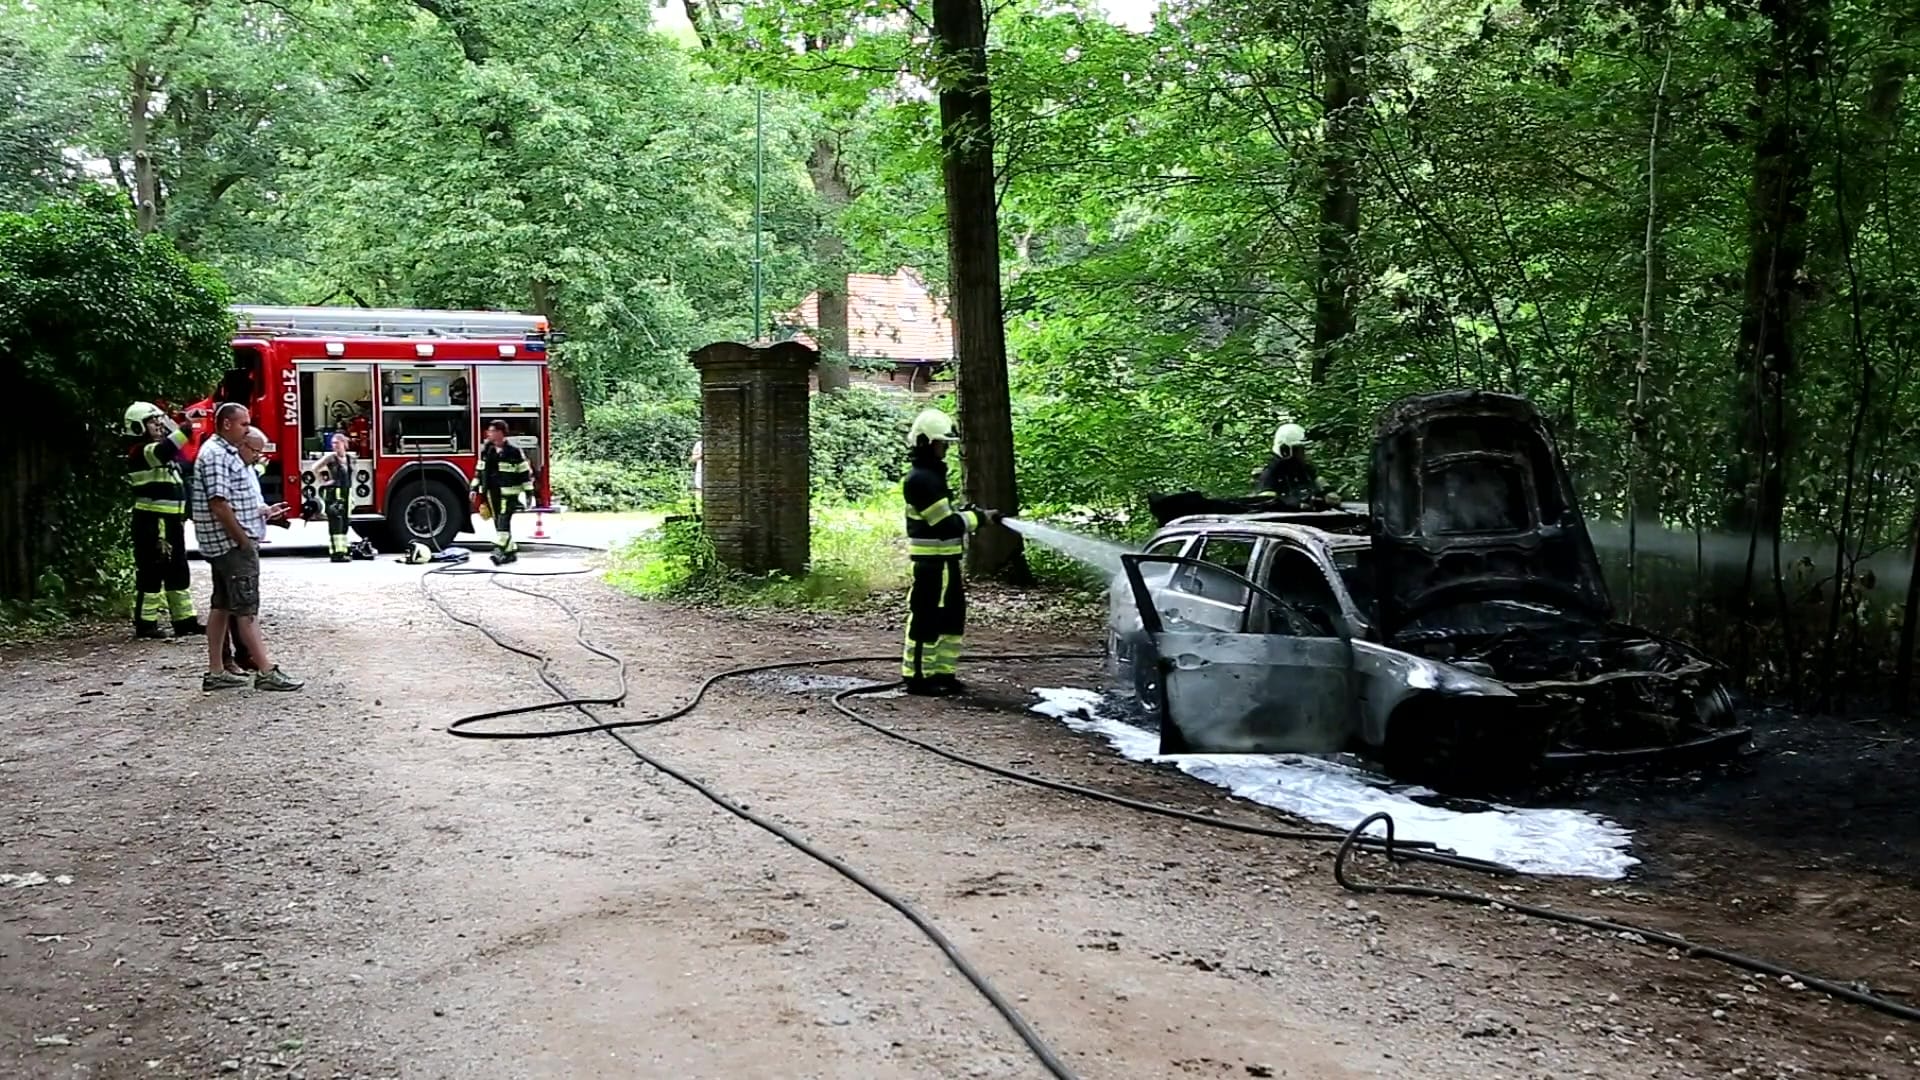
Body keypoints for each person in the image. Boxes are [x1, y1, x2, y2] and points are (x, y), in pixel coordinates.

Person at [190, 403, 303, 692]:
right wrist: (242, 540)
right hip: (231, 546)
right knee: (246, 609)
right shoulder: (216, 455)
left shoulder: (224, 453)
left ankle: (216, 671)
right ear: (227, 424)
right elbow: (219, 503)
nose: (247, 429)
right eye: (243, 424)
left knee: (221, 606)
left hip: (224, 545)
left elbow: (235, 499)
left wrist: (263, 512)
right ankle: (266, 671)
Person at [900, 408, 1004, 697]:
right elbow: (945, 525)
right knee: (926, 619)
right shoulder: (921, 480)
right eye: (941, 443)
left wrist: (966, 515)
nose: (944, 449)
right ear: (925, 442)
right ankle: (918, 677)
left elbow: (946, 516)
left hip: (946, 563)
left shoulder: (932, 477)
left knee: (951, 618)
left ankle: (943, 672)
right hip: (931, 566)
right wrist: (979, 518)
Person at [122, 402, 203, 639]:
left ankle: (185, 621)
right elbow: (164, 451)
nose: (158, 424)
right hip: (152, 521)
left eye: (159, 420)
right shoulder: (140, 451)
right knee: (152, 571)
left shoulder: (161, 451)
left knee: (178, 570)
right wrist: (185, 429)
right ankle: (146, 624)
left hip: (170, 521)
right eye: (152, 421)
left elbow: (186, 465)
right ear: (138, 427)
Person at [472, 419, 533, 565]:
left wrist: (529, 494)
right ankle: (510, 552)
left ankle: (498, 551)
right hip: (491, 493)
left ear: (501, 433)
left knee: (503, 521)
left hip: (509, 494)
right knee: (498, 522)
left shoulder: (514, 452)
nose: (489, 433)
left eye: (492, 431)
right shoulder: (487, 450)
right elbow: (479, 471)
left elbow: (525, 473)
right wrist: (474, 488)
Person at [1253, 420, 1332, 510]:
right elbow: (1267, 501)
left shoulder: (1305, 469)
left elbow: (1320, 483)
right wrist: (1295, 506)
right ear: (1285, 450)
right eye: (1300, 449)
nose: (1304, 453)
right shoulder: (1272, 472)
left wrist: (1329, 493)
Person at [313, 432, 354, 563]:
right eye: (333, 443)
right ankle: (337, 553)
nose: (334, 445)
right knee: (336, 523)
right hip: (334, 494)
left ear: (344, 443)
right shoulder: (330, 457)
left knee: (345, 523)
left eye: (337, 443)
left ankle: (343, 550)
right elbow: (315, 468)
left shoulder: (350, 458)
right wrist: (324, 481)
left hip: (346, 493)